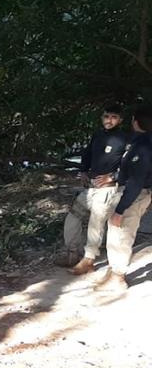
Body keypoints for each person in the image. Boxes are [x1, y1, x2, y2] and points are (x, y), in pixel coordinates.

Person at [65, 104, 131, 274]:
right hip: (91, 187)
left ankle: (89, 260)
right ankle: (72, 253)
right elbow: (87, 154)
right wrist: (83, 171)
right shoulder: (98, 134)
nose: (109, 120)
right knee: (73, 216)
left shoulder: (125, 139)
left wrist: (113, 177)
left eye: (114, 117)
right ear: (102, 118)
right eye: (106, 116)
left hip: (108, 189)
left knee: (96, 223)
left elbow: (130, 164)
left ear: (120, 120)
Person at [94, 104, 152, 292]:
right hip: (133, 193)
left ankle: (118, 277)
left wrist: (120, 209)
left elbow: (136, 180)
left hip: (134, 195)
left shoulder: (143, 146)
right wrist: (114, 177)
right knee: (116, 232)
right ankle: (114, 271)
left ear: (135, 122)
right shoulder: (140, 142)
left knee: (122, 235)